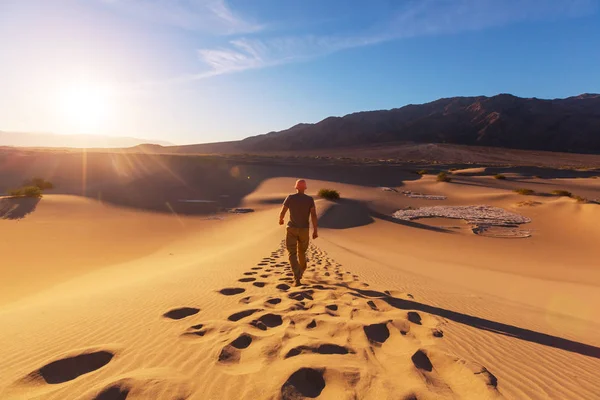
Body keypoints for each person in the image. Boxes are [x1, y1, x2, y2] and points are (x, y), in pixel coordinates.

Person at [279, 179, 318, 286]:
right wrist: (315, 230)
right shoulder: (310, 199)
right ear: (305, 188)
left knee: (292, 253)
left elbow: (283, 210)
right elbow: (313, 215)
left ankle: (297, 276)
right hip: (304, 229)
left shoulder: (290, 197)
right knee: (302, 252)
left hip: (292, 228)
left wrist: (281, 219)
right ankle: (301, 270)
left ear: (296, 187)